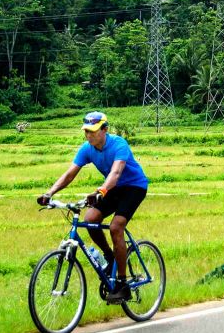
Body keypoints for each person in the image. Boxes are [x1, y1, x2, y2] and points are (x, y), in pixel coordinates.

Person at [37, 111, 148, 302]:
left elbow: (115, 173)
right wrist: (49, 193)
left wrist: (101, 191)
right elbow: (69, 174)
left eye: (93, 131)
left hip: (133, 187)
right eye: (86, 131)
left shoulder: (119, 144)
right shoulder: (87, 149)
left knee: (116, 227)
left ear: (105, 130)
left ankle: (122, 283)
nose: (89, 135)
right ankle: (109, 256)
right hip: (111, 189)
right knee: (90, 220)